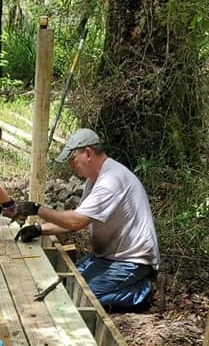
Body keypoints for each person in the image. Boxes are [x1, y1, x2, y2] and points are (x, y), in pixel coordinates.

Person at [17, 128, 160, 311]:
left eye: (72, 160)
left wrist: (37, 210)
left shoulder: (111, 181)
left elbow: (76, 222)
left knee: (83, 295)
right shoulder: (95, 180)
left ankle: (146, 290)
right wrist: (40, 229)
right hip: (109, 256)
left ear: (88, 153)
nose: (71, 165)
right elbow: (76, 219)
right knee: (68, 283)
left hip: (131, 260)